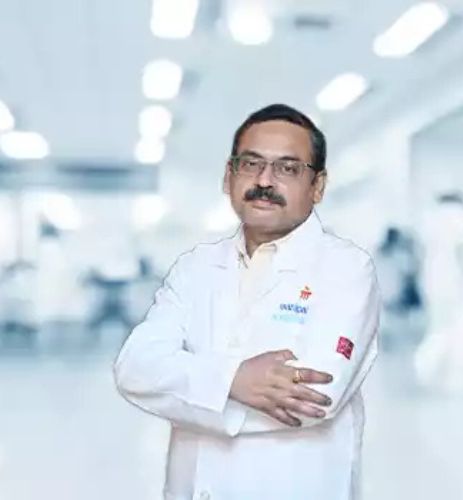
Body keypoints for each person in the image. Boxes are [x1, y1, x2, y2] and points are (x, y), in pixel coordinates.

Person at [114, 104, 380, 500]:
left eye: (288, 168)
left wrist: (188, 386)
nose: (264, 180)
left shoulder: (347, 268)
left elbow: (315, 397)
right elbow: (135, 368)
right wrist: (234, 380)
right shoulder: (195, 267)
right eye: (251, 164)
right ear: (229, 175)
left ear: (318, 186)